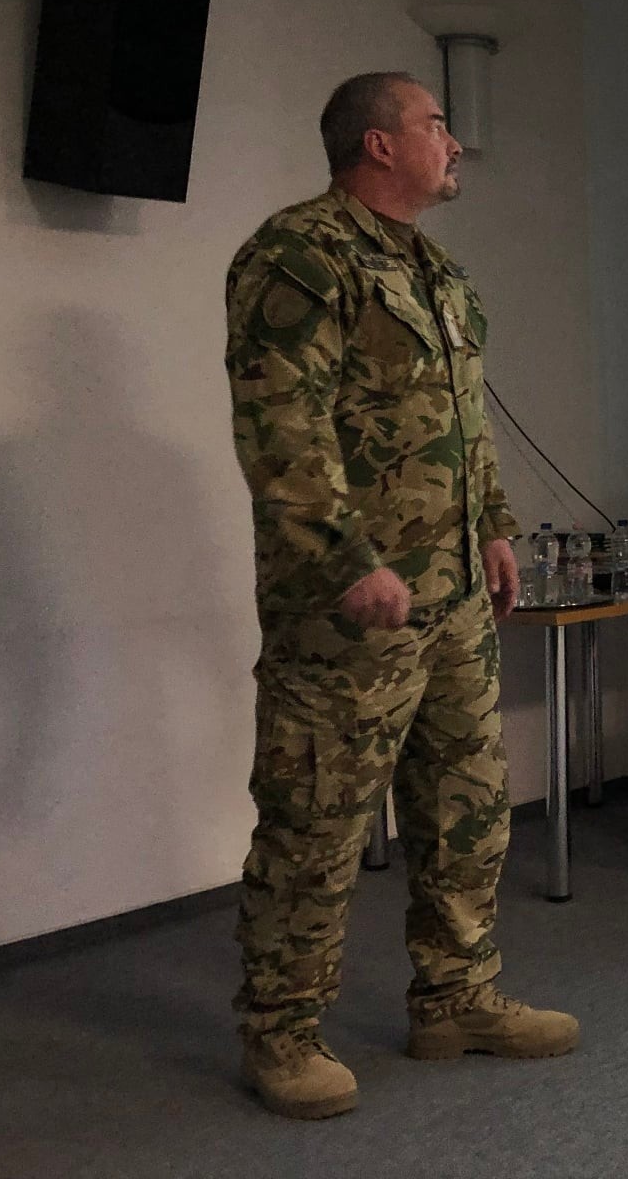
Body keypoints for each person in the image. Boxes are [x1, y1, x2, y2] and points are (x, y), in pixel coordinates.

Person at [224, 72, 577, 1121]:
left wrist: (496, 527)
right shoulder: (299, 256)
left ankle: (455, 999)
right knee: (317, 822)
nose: (454, 142)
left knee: (466, 809)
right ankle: (282, 1033)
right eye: (436, 124)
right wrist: (346, 559)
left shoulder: (438, 274)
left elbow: (466, 423)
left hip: (455, 598)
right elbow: (282, 426)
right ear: (378, 145)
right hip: (350, 609)